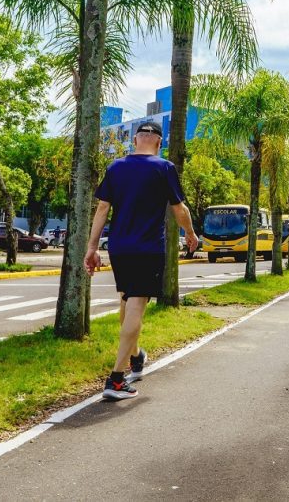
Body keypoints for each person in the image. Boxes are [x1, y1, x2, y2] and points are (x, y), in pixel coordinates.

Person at [84, 120, 198, 401]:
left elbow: (101, 209)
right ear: (159, 143)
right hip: (147, 248)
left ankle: (135, 357)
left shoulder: (116, 167)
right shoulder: (164, 168)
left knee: (126, 299)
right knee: (136, 305)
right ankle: (116, 379)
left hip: (120, 247)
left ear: (135, 141)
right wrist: (191, 234)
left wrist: (92, 247)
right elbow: (179, 208)